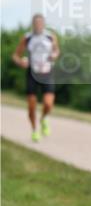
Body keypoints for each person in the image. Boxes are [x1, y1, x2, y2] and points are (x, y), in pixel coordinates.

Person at [12, 14, 60, 142]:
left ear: (43, 24)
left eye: (40, 23)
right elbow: (15, 56)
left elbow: (56, 51)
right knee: (32, 105)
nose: (38, 25)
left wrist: (54, 55)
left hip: (47, 72)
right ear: (33, 24)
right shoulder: (27, 38)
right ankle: (34, 130)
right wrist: (20, 62)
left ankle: (44, 118)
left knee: (48, 104)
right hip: (32, 73)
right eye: (36, 23)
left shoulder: (50, 36)